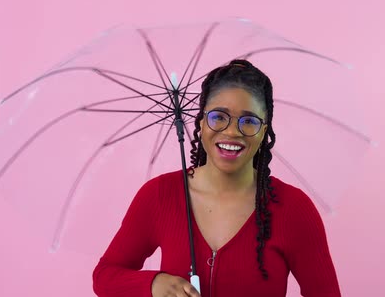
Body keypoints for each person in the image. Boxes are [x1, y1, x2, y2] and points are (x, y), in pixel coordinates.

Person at [93, 60, 341, 297]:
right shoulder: (159, 195)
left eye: (249, 121)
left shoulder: (293, 208)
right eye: (219, 117)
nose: (232, 132)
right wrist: (154, 284)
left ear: (264, 131)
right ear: (201, 122)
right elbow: (104, 276)